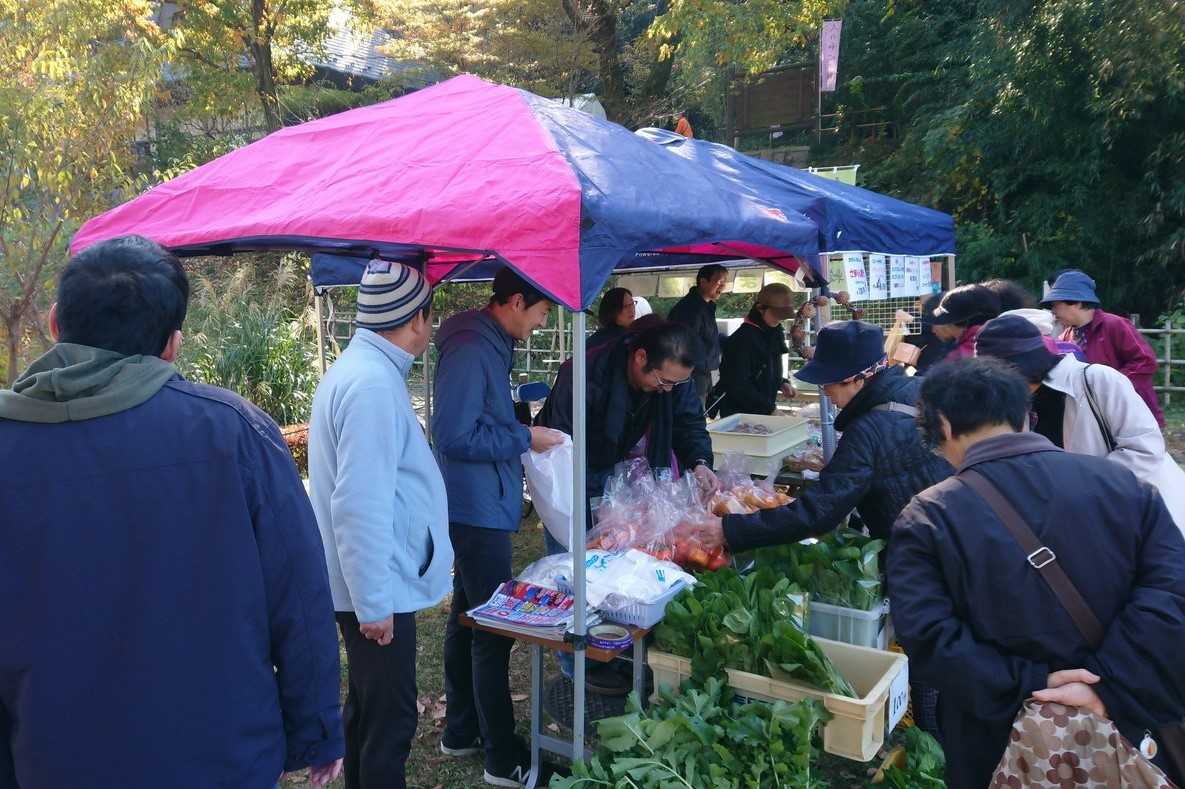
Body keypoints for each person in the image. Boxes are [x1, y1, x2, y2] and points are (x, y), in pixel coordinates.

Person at [0, 235, 344, 788]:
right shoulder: (236, 433)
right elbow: (299, 598)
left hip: (52, 759)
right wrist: (316, 729)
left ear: (55, 323)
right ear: (172, 346)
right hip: (222, 757)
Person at [888, 357, 1185, 788]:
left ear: (944, 426)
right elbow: (1172, 592)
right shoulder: (1123, 485)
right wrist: (1108, 685)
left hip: (1002, 739)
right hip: (1131, 725)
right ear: (1025, 416)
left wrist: (1033, 683)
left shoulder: (929, 516)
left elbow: (929, 637)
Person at [308, 261, 453, 789]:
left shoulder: (364, 371)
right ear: (417, 318)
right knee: (389, 720)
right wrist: (374, 603)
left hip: (373, 581)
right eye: (431, 318)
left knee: (370, 711)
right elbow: (358, 503)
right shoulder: (370, 384)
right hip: (377, 586)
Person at [433, 267, 564, 788]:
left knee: (467, 618)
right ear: (514, 302)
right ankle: (502, 759)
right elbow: (453, 435)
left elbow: (482, 420)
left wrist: (516, 431)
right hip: (474, 505)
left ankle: (462, 730)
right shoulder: (470, 345)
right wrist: (523, 438)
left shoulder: (488, 341)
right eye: (539, 313)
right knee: (491, 629)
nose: (538, 325)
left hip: (484, 501)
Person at [677, 321, 952, 551]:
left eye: (827, 381)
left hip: (918, 548)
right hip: (947, 530)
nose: (824, 390)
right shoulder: (918, 390)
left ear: (857, 378)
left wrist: (730, 531)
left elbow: (819, 512)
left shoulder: (868, 429)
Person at [975, 314, 1185, 533]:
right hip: (1081, 521)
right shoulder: (1013, 404)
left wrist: (1078, 487)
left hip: (1140, 513)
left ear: (1018, 369)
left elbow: (1145, 449)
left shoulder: (1098, 380)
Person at [536, 321, 718, 511]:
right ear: (641, 357)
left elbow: (689, 423)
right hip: (569, 472)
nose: (668, 389)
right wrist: (599, 504)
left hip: (617, 472)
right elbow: (565, 450)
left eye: (677, 383)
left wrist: (700, 461)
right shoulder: (583, 376)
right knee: (575, 535)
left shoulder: (674, 376)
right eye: (663, 381)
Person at [1042, 269, 1164, 425]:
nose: (1053, 311)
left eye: (1055, 305)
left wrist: (1109, 386)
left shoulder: (1115, 325)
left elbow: (1145, 362)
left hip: (1133, 413)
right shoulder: (1066, 336)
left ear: (1076, 302)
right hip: (1097, 417)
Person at [712, 283, 797, 417]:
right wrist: (769, 409)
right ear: (760, 309)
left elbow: (765, 369)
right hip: (739, 413)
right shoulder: (743, 339)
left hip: (762, 409)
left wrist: (781, 383)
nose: (778, 321)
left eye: (781, 317)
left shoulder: (773, 333)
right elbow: (738, 384)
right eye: (776, 315)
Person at [668, 263, 728, 402]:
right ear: (703, 281)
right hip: (690, 376)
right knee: (692, 419)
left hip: (704, 374)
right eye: (719, 282)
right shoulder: (689, 309)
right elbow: (684, 347)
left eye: (724, 283)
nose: (722, 287)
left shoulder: (707, 306)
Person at [929, 283, 1002, 360]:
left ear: (963, 322)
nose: (934, 329)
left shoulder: (958, 358)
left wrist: (914, 366)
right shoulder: (1006, 340)